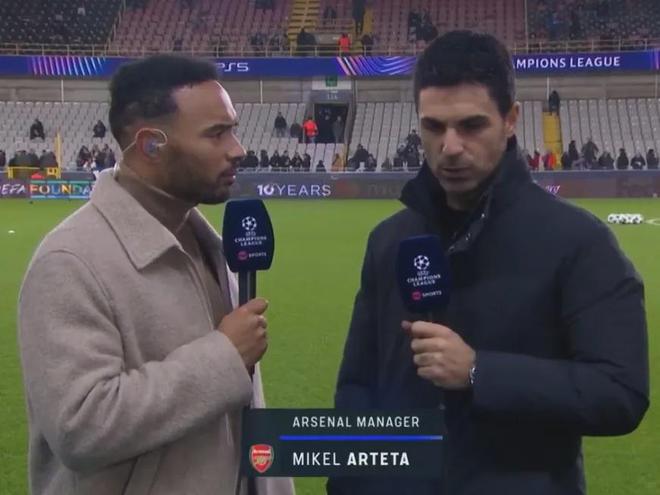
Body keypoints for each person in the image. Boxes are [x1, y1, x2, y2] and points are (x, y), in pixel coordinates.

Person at [328, 31, 648, 495]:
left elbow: (621, 392)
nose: (450, 146)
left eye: (471, 126)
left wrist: (480, 371)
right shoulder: (389, 240)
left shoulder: (580, 242)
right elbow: (356, 385)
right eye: (433, 127)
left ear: (510, 119)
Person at [18, 55, 294, 495]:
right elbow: (80, 427)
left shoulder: (210, 243)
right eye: (217, 133)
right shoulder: (69, 261)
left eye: (233, 129)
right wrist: (224, 356)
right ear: (150, 145)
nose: (238, 149)